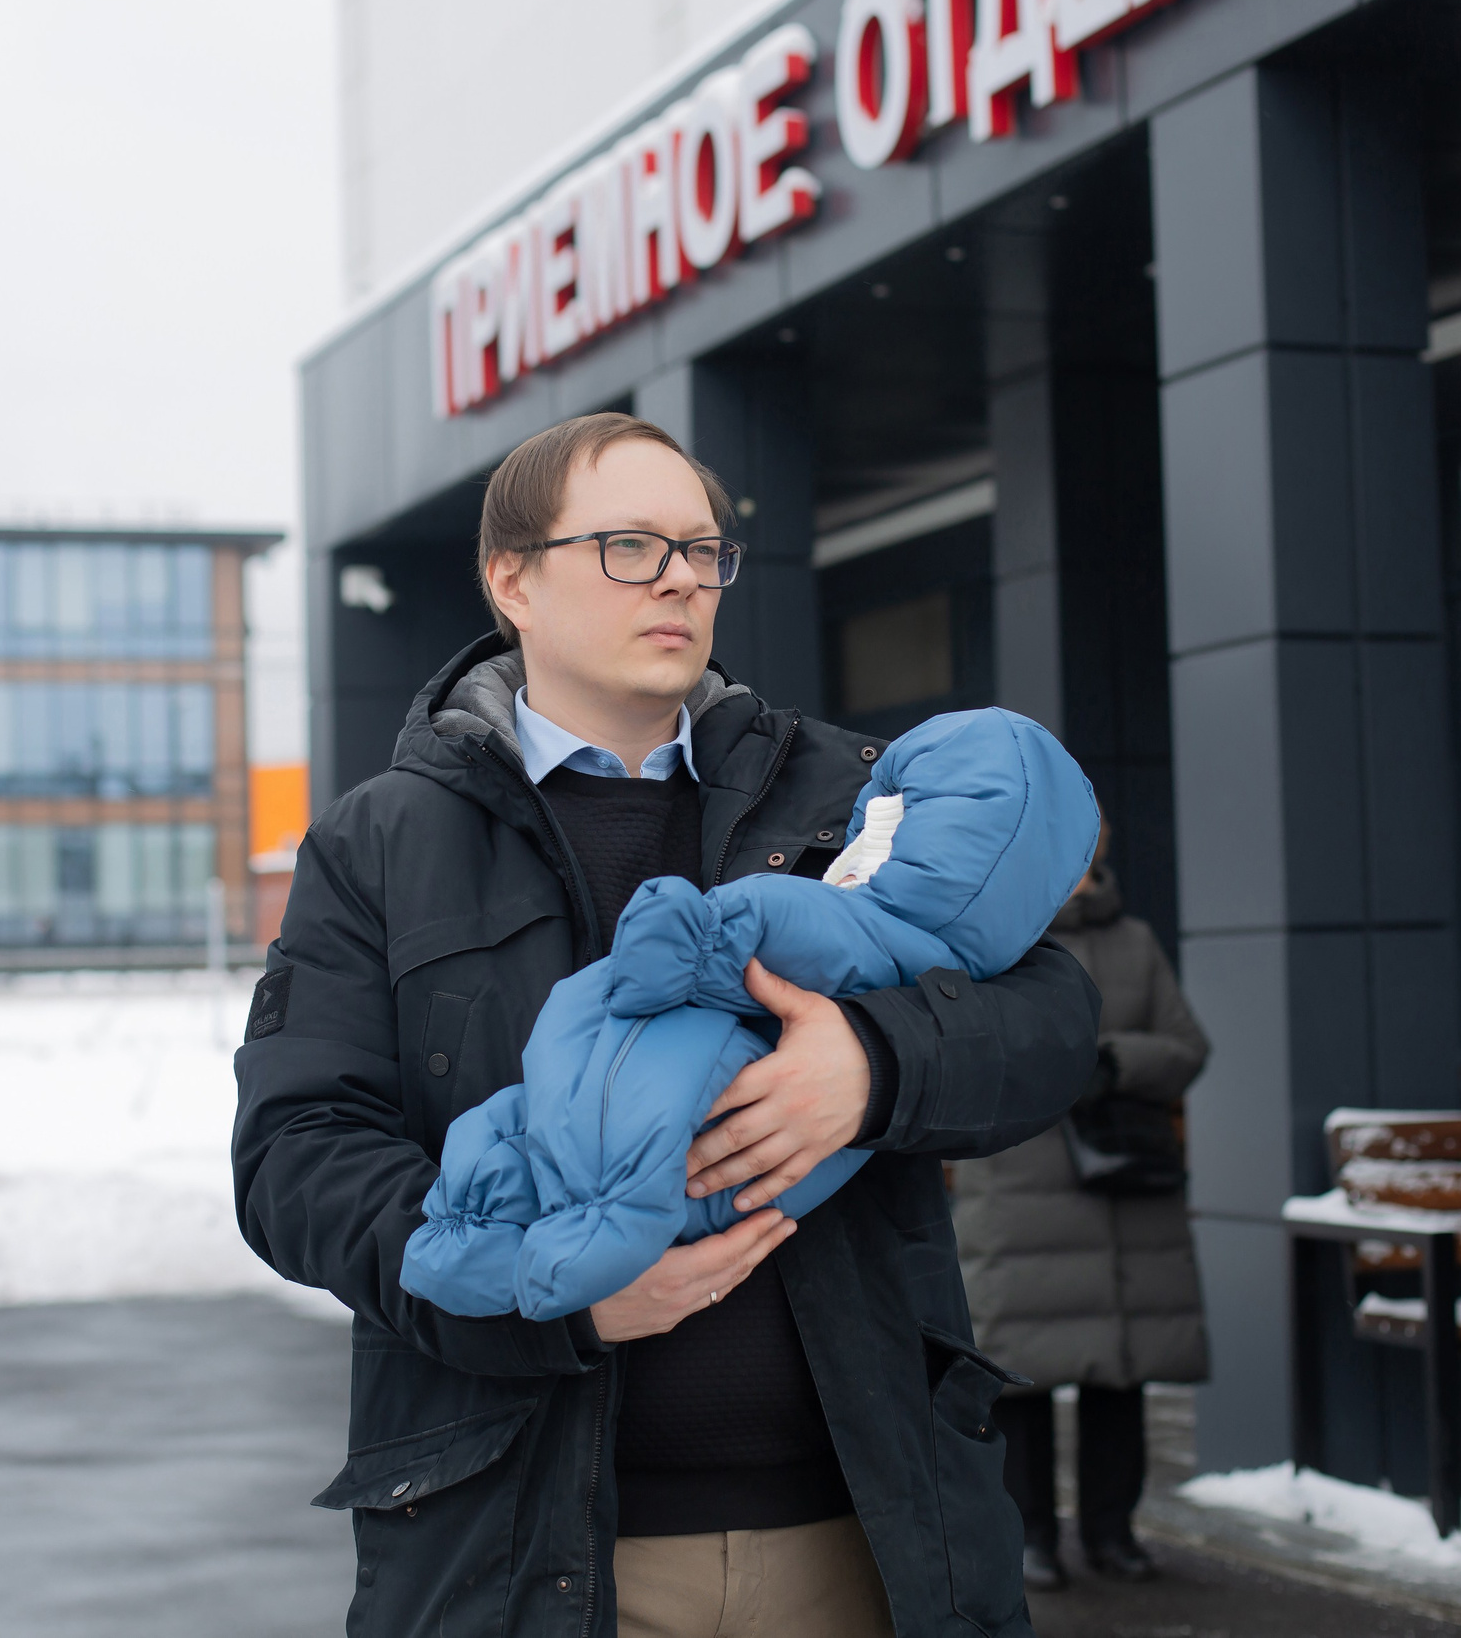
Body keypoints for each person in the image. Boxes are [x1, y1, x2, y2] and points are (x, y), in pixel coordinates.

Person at [233, 412, 1101, 1638]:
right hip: (520, 1554)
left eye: (702, 549)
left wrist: (873, 1066)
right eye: (631, 547)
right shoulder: (378, 843)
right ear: (512, 580)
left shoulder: (847, 793)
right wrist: (550, 1296)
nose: (682, 579)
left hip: (866, 1540)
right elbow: (295, 1158)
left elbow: (1055, 1022)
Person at [949, 826, 1211, 1591]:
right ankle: (1030, 1534)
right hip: (1021, 1184)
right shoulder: (989, 939)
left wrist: (1114, 1060)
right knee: (1020, 1373)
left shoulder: (1135, 941)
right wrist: (1064, 1057)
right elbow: (964, 1048)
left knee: (1122, 1372)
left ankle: (1112, 1531)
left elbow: (1187, 1046)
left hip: (1122, 1185)